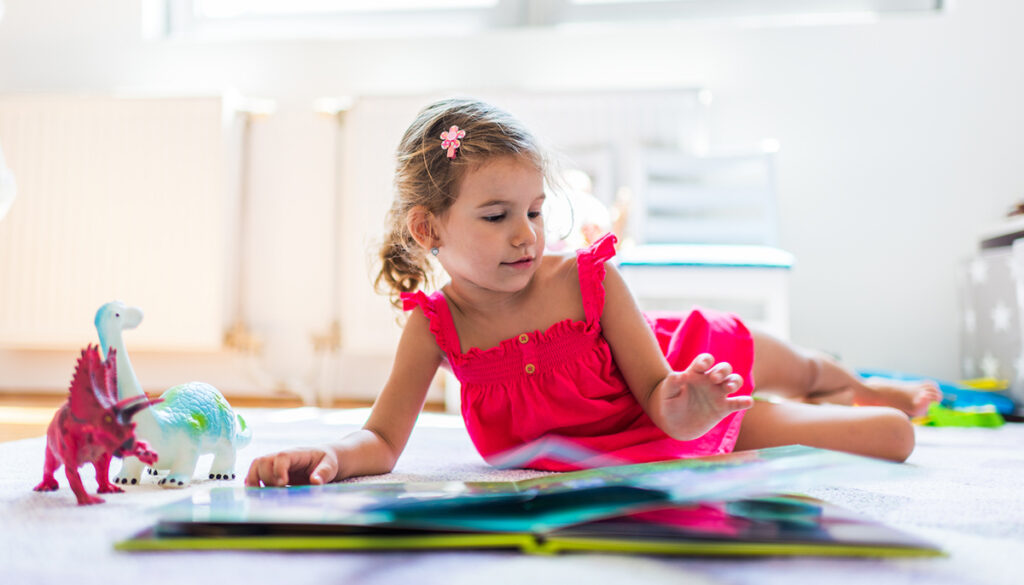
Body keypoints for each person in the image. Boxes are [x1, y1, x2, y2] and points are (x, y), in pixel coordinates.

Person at [246, 98, 941, 487]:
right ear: (428, 227)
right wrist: (332, 456)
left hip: (682, 378)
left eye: (535, 210)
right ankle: (827, 401)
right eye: (497, 216)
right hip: (660, 428)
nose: (526, 234)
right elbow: (382, 437)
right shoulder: (434, 327)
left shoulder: (590, 281)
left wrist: (692, 405)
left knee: (872, 414)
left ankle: (867, 383)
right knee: (884, 441)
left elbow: (663, 397)